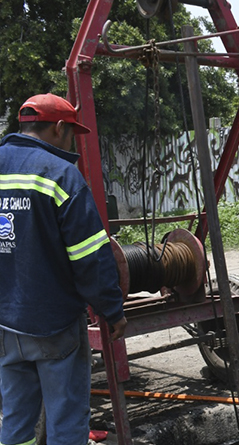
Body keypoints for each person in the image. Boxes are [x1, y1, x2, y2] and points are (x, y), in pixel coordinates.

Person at [0, 93, 127, 445]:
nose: (72, 142)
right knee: (66, 419)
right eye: (71, 133)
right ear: (59, 128)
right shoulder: (60, 175)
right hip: (53, 323)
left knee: (16, 418)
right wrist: (111, 310)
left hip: (5, 323)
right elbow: (90, 257)